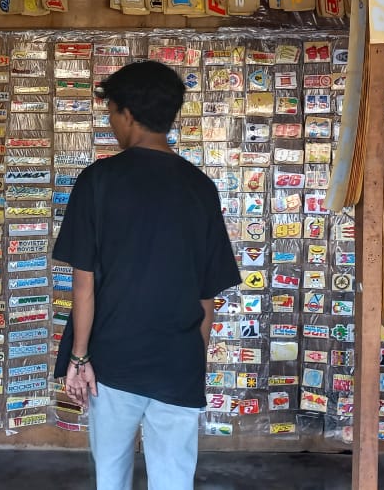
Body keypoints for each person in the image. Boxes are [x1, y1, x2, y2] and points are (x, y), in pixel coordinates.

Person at [52, 60, 241, 490]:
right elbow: (207, 297)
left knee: (111, 477)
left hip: (112, 362)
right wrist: (192, 357)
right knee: (174, 480)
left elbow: (85, 285)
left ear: (128, 115)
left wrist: (79, 359)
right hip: (177, 362)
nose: (112, 122)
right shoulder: (200, 187)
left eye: (111, 113)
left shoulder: (98, 181)